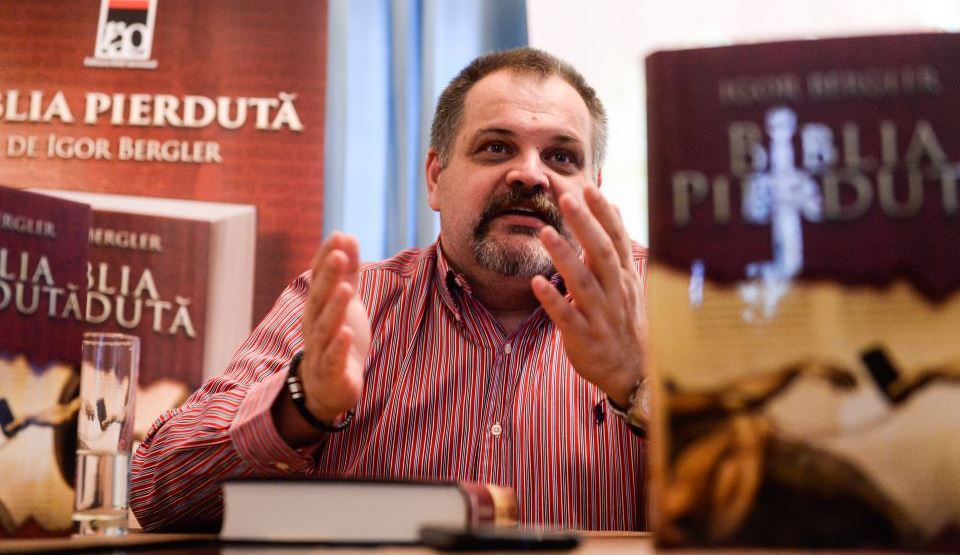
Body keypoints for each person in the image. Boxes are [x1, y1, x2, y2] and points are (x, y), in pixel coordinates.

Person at [130, 47, 649, 532]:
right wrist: (302, 404)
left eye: (562, 158)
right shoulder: (349, 304)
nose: (530, 175)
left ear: (594, 188)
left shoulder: (666, 298)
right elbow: (154, 492)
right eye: (496, 147)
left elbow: (708, 516)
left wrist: (639, 390)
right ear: (435, 178)